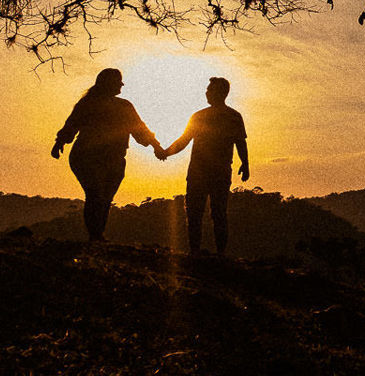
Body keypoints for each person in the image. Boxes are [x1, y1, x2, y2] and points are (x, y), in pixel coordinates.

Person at [51, 68, 158, 242]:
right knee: (95, 194)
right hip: (86, 157)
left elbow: (140, 131)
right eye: (118, 81)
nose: (122, 84)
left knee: (106, 198)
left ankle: (97, 235)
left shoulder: (124, 106)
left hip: (115, 160)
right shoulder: (89, 104)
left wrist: (156, 147)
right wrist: (59, 143)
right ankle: (95, 235)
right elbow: (71, 125)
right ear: (107, 83)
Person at [155, 77, 249, 255]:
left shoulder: (218, 116)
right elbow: (184, 141)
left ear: (221, 92)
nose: (206, 92)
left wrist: (245, 164)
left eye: (210, 89)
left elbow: (240, 142)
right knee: (208, 212)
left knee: (206, 212)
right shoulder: (229, 116)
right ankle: (203, 251)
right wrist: (165, 152)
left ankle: (204, 251)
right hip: (210, 171)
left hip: (207, 171)